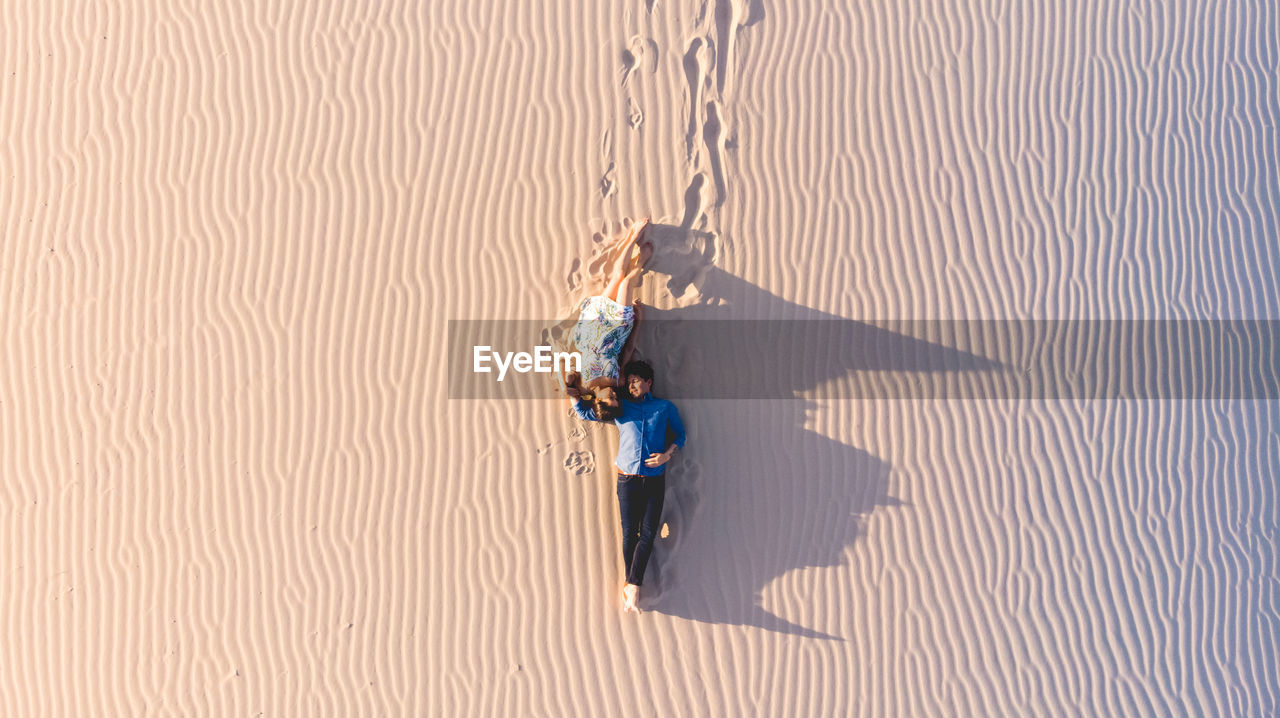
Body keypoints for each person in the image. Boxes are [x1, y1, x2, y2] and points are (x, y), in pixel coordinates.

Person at [569, 359, 686, 613]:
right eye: (629, 381)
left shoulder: (664, 408)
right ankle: (633, 584)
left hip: (655, 478)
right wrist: (574, 398)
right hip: (627, 479)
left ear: (648, 382)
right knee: (629, 532)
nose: (631, 385)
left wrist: (667, 454)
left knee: (648, 533)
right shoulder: (622, 408)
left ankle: (632, 583)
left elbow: (681, 435)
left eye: (636, 381)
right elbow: (587, 413)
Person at [561, 219, 652, 421]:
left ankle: (631, 238)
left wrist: (567, 385)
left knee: (618, 276)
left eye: (610, 398)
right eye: (616, 400)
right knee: (627, 282)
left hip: (593, 326)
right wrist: (639, 321)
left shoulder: (582, 384)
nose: (614, 396)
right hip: (617, 328)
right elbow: (628, 350)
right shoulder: (618, 382)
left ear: (597, 401)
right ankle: (640, 265)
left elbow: (565, 372)